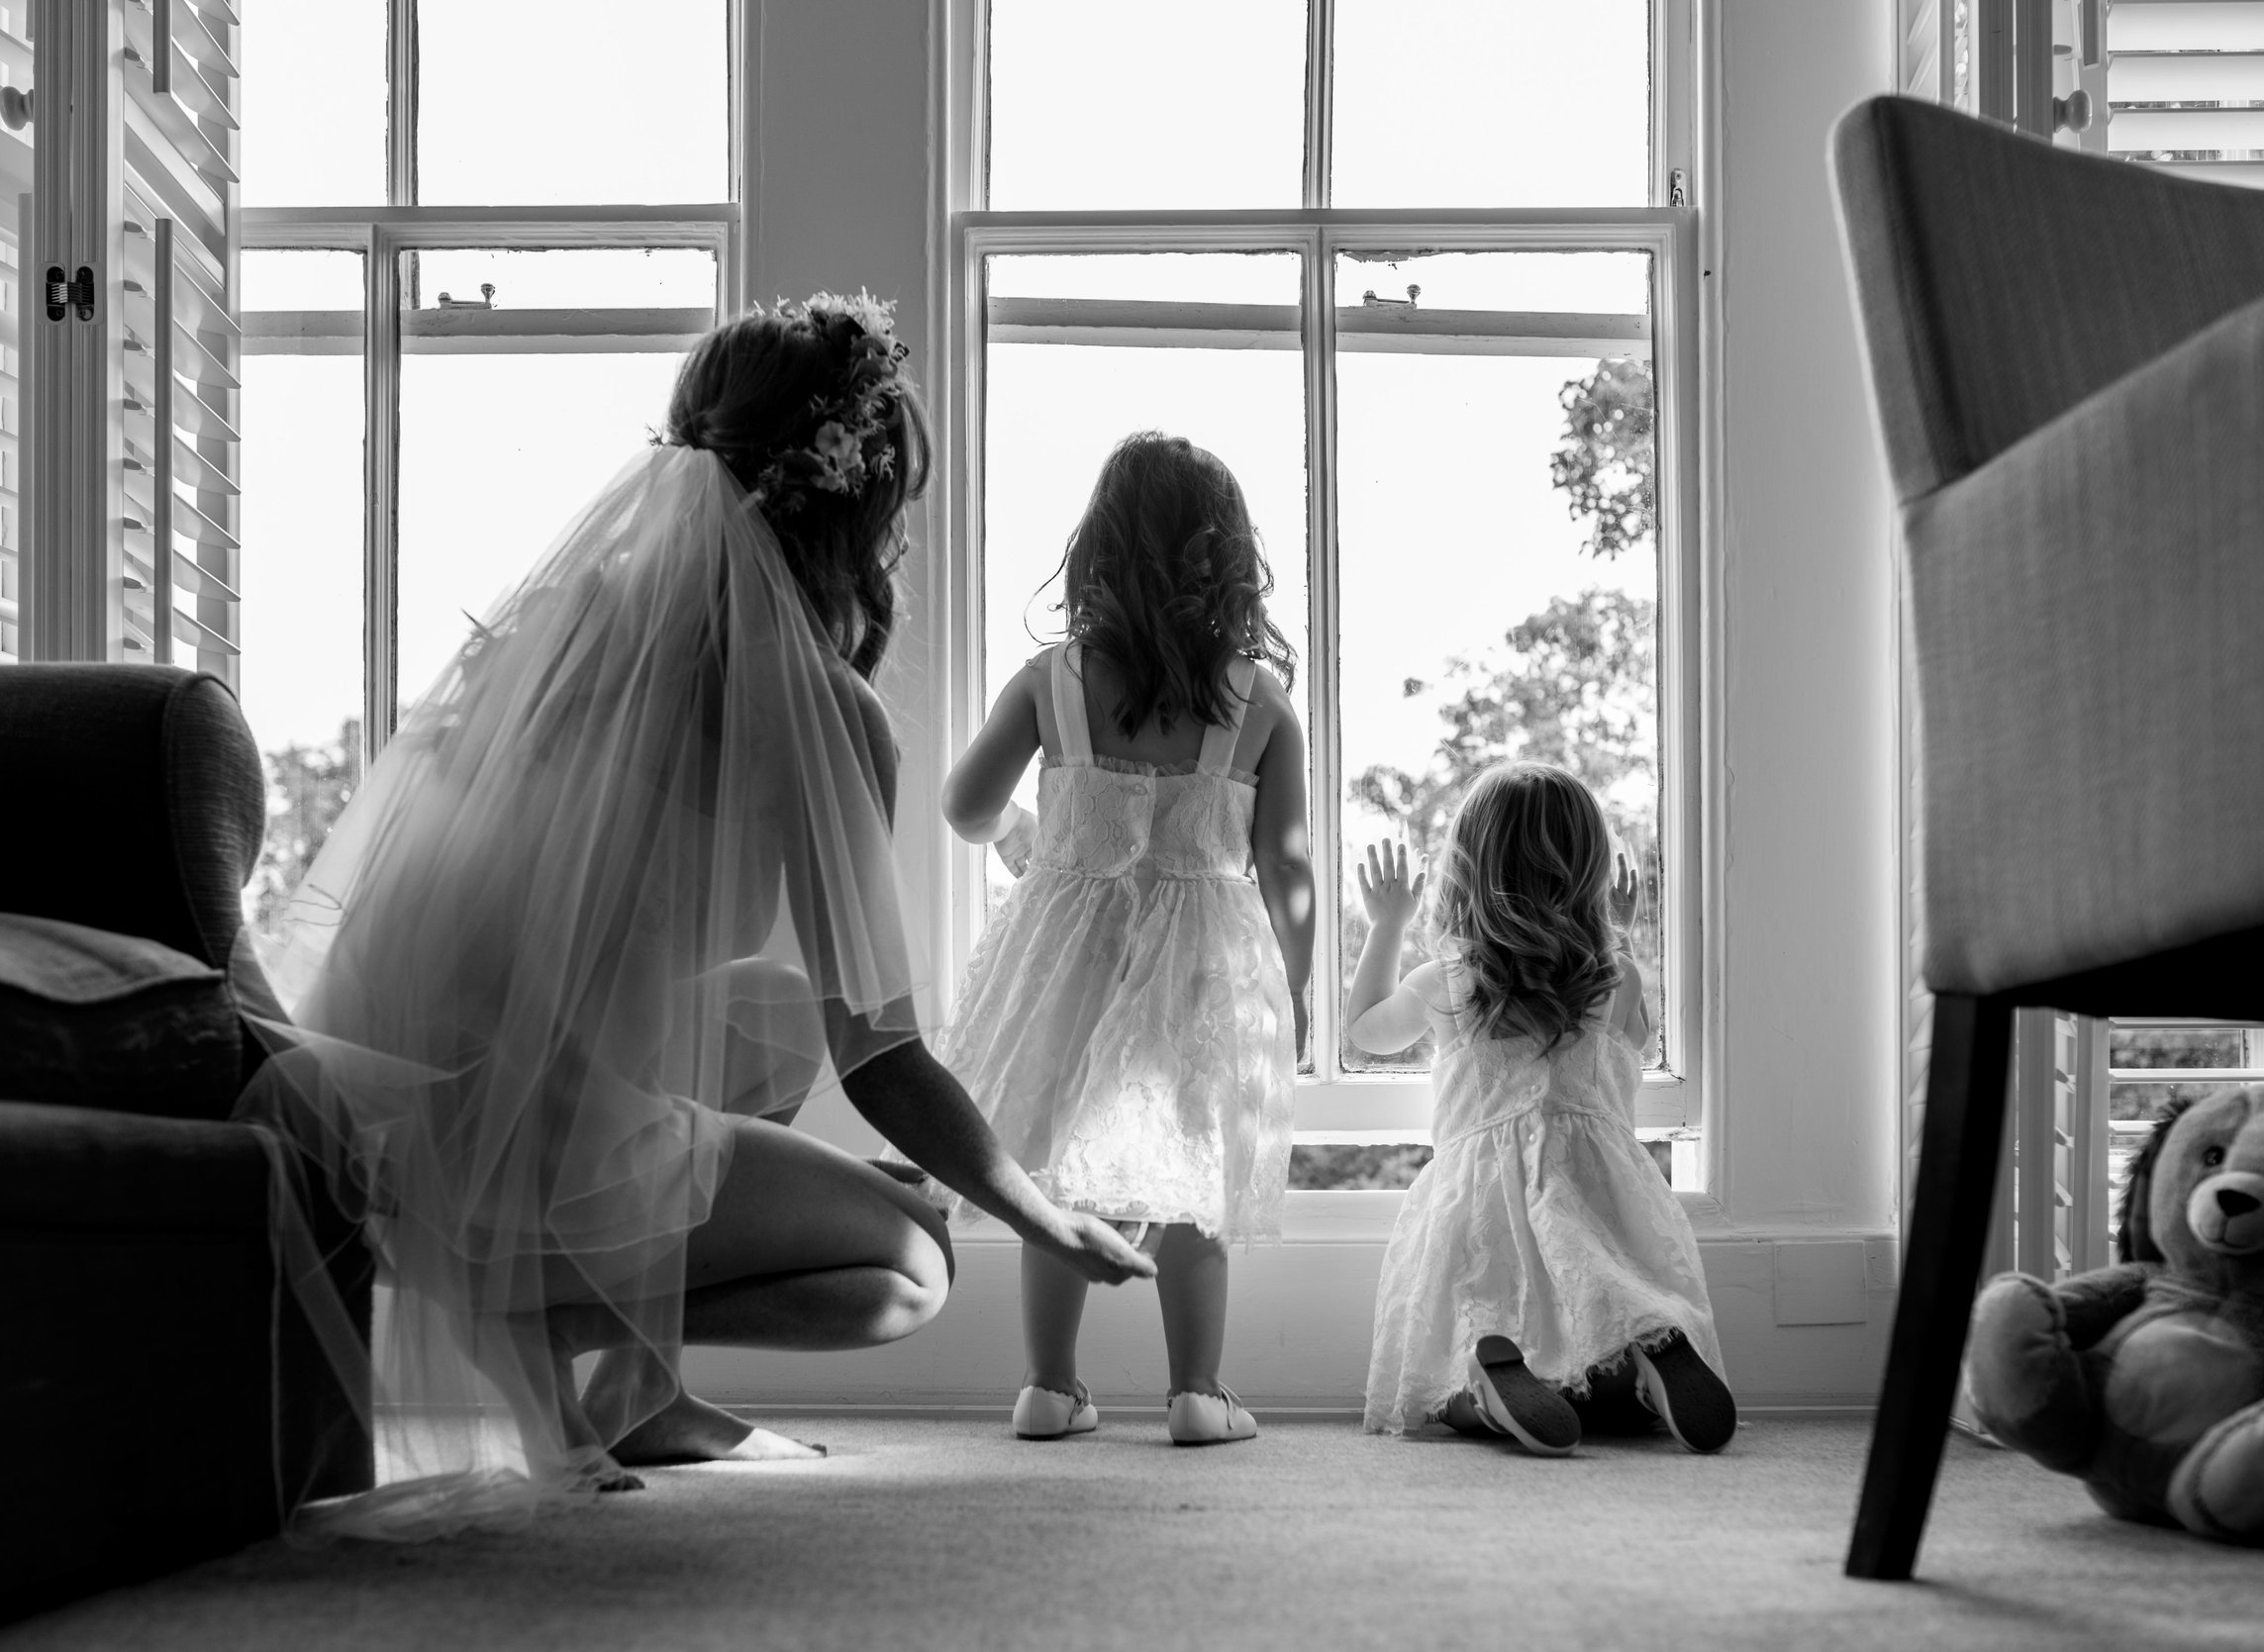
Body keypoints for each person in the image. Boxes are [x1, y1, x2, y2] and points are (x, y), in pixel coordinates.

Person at [242, 293, 1154, 1539]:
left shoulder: (558, 633)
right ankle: (528, 1316)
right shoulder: (828, 711)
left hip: (395, 1104)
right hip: (528, 1139)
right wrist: (1039, 1211)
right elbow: (879, 1053)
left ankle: (635, 1387)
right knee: (911, 1263)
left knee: (766, 1015)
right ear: (854, 501)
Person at [928, 432, 1314, 1446]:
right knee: (1195, 1176)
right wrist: (1296, 990)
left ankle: (1049, 1386)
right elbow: (1288, 870)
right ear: (1227, 556)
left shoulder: (1050, 681)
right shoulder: (1262, 702)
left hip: (1068, 955)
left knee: (1052, 1166)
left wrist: (1035, 839)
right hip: (1205, 960)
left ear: (1097, 548)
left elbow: (963, 804)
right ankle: (1197, 1389)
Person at [1347, 762, 1733, 1457]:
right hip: (1602, 1192)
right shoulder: (1613, 975)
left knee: (1440, 1384)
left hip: (1486, 1198)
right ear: (1587, 869)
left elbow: (1365, 1030)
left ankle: (1489, 1388)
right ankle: (1650, 1347)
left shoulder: (1450, 979)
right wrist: (1616, 934)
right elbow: (1636, 1049)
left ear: (1467, 869)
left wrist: (1387, 924)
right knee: (1602, 1320)